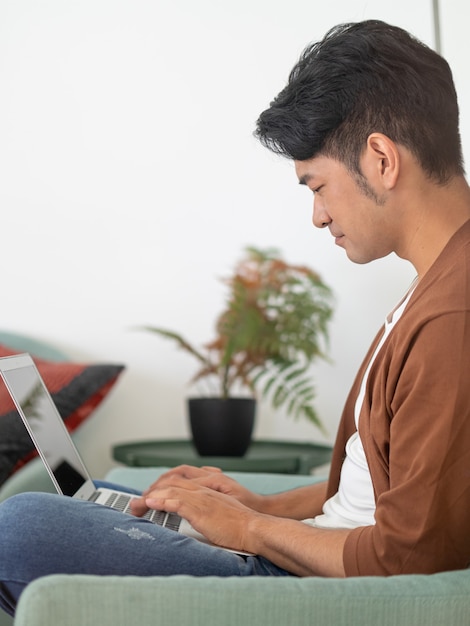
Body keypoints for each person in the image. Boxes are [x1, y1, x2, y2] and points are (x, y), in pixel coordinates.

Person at [2, 18, 470, 616]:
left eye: (317, 186)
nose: (318, 217)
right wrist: (258, 505)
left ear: (381, 158)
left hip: (306, 582)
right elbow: (382, 495)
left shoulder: (453, 316)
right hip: (306, 551)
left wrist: (247, 530)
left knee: (19, 527)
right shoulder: (435, 287)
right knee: (123, 492)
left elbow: (405, 561)